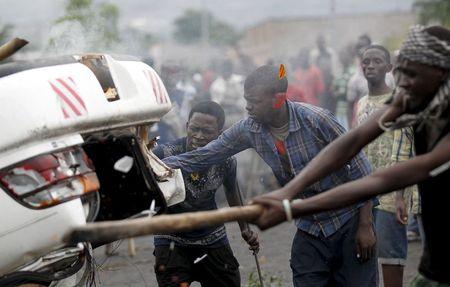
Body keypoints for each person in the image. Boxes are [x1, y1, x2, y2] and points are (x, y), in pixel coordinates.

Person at [252, 25, 450, 286]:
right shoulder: (411, 96)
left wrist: (293, 207)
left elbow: (388, 179)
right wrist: (288, 191)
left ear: (442, 73)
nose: (403, 82)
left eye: (412, 74)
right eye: (401, 72)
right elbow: (352, 141)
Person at [163, 65, 378, 287]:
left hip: (349, 218)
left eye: (254, 101)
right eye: (246, 99)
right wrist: (155, 165)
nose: (247, 106)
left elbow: (361, 169)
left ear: (277, 99)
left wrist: (366, 224)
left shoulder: (317, 119)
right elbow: (205, 155)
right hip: (310, 223)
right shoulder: (250, 128)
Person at [152, 101, 259, 287]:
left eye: (207, 132)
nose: (199, 136)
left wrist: (245, 229)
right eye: (195, 129)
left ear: (219, 132)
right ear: (187, 126)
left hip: (212, 238)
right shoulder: (164, 155)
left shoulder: (226, 161)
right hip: (171, 239)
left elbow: (232, 191)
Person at [357, 44, 419, 287]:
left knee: (391, 257)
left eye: (376, 61)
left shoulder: (398, 101)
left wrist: (401, 195)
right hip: (364, 194)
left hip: (392, 192)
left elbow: (402, 149)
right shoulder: (361, 103)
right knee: (366, 253)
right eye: (366, 61)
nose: (370, 65)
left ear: (389, 67)